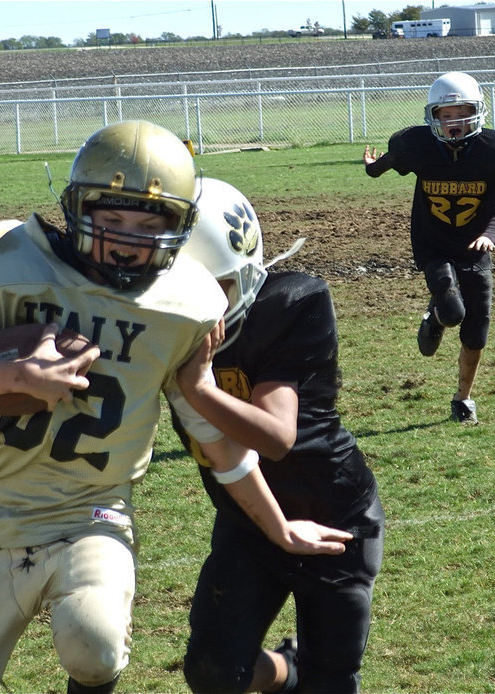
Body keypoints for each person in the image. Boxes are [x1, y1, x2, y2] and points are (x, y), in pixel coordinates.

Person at [0, 120, 349, 694]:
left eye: (148, 223)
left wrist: (280, 527)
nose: (127, 238)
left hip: (95, 513)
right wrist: (14, 376)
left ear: (179, 226)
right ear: (77, 208)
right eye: (111, 219)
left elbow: (215, 445)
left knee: (96, 642)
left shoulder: (187, 303)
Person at [172, 177, 385, 694]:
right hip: (246, 515)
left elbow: (275, 436)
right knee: (213, 673)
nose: (195, 305)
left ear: (244, 271)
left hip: (331, 512)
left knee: (331, 682)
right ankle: (287, 674)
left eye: (211, 289)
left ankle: (305, 676)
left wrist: (199, 387)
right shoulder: (161, 321)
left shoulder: (293, 301)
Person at [363, 71, 495, 425]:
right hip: (433, 243)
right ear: (434, 117)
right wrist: (373, 168)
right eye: (446, 115)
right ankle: (436, 317)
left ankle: (463, 398)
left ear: (477, 111)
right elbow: (384, 166)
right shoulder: (417, 147)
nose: (454, 121)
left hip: (475, 247)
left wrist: (490, 236)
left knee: (476, 332)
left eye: (461, 112)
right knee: (452, 311)